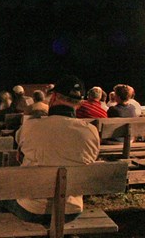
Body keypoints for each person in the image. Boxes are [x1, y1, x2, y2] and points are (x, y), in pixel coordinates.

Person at [6, 75, 99, 225]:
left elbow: (19, 149)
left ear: (54, 97)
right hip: (71, 210)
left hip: (32, 210)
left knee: (3, 195)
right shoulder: (91, 132)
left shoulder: (31, 126)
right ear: (80, 104)